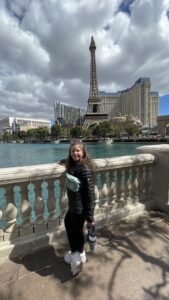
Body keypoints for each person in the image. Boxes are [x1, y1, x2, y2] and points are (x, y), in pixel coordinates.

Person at [63, 140, 95, 276]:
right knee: (71, 226)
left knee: (75, 231)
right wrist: (63, 161)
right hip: (73, 207)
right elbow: (70, 166)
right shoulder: (74, 166)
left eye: (78, 151)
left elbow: (90, 195)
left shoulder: (84, 169)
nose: (75, 153)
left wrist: (90, 217)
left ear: (83, 152)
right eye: (73, 151)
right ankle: (80, 254)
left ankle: (75, 260)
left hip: (79, 209)